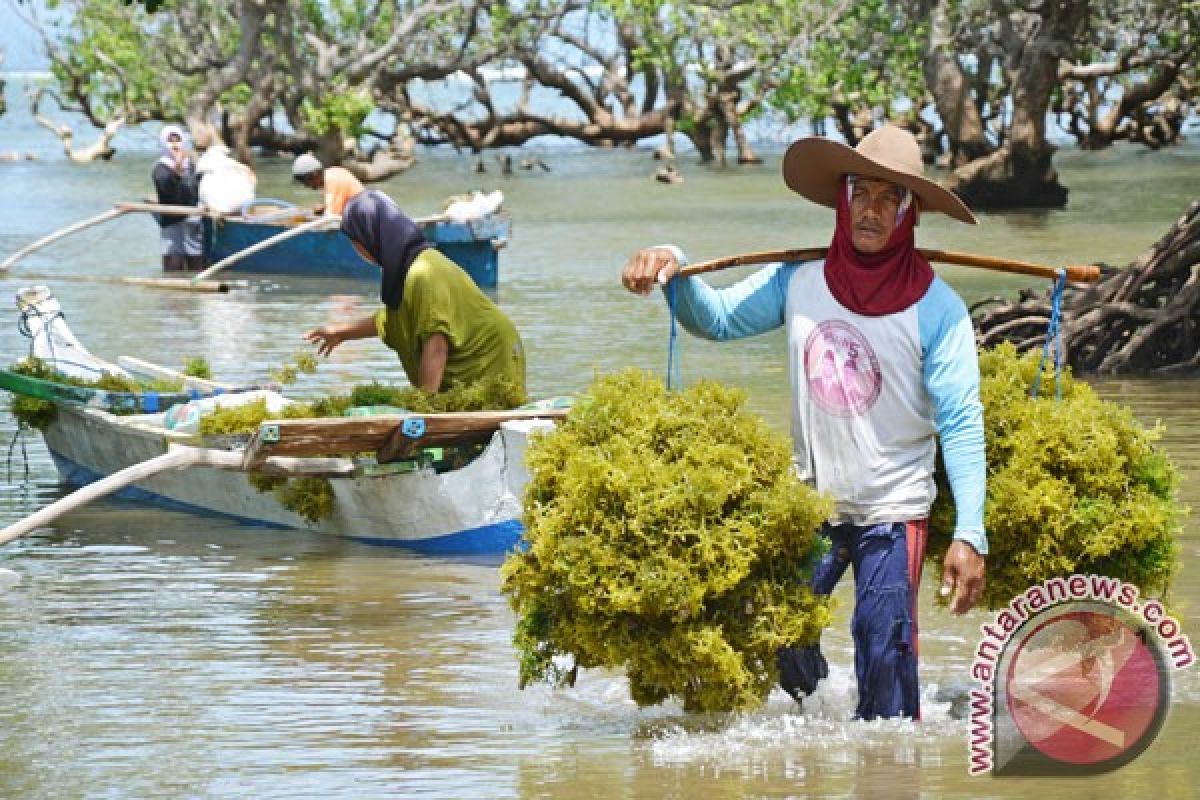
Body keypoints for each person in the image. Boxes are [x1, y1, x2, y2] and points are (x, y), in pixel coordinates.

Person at [620, 124, 987, 721]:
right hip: (810, 505)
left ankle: (889, 772)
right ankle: (814, 747)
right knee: (780, 638)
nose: (870, 210)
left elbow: (962, 423)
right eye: (859, 193)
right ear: (841, 201)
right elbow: (713, 319)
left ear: (910, 212)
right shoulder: (799, 282)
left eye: (888, 198)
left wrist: (970, 533)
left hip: (894, 508)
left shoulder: (937, 309)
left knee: (883, 648)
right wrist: (674, 266)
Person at [304, 188, 526, 394]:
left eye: (355, 241)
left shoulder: (422, 272)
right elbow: (392, 320)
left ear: (370, 237)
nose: (357, 250)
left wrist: (422, 408)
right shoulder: (404, 268)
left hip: (489, 358)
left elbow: (436, 345)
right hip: (475, 360)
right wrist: (340, 333)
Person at [152, 125, 205, 272]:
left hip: (192, 220)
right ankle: (173, 292)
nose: (175, 145)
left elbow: (199, 189)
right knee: (173, 260)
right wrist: (177, 167)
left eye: (178, 140)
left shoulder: (193, 166)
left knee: (196, 259)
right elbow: (168, 190)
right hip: (172, 220)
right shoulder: (160, 168)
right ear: (163, 143)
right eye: (170, 141)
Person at [291, 153, 365, 216]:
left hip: (361, 218)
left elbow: (330, 217)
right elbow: (342, 202)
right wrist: (325, 208)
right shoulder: (332, 172)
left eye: (306, 182)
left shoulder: (332, 182)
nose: (306, 186)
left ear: (314, 175)